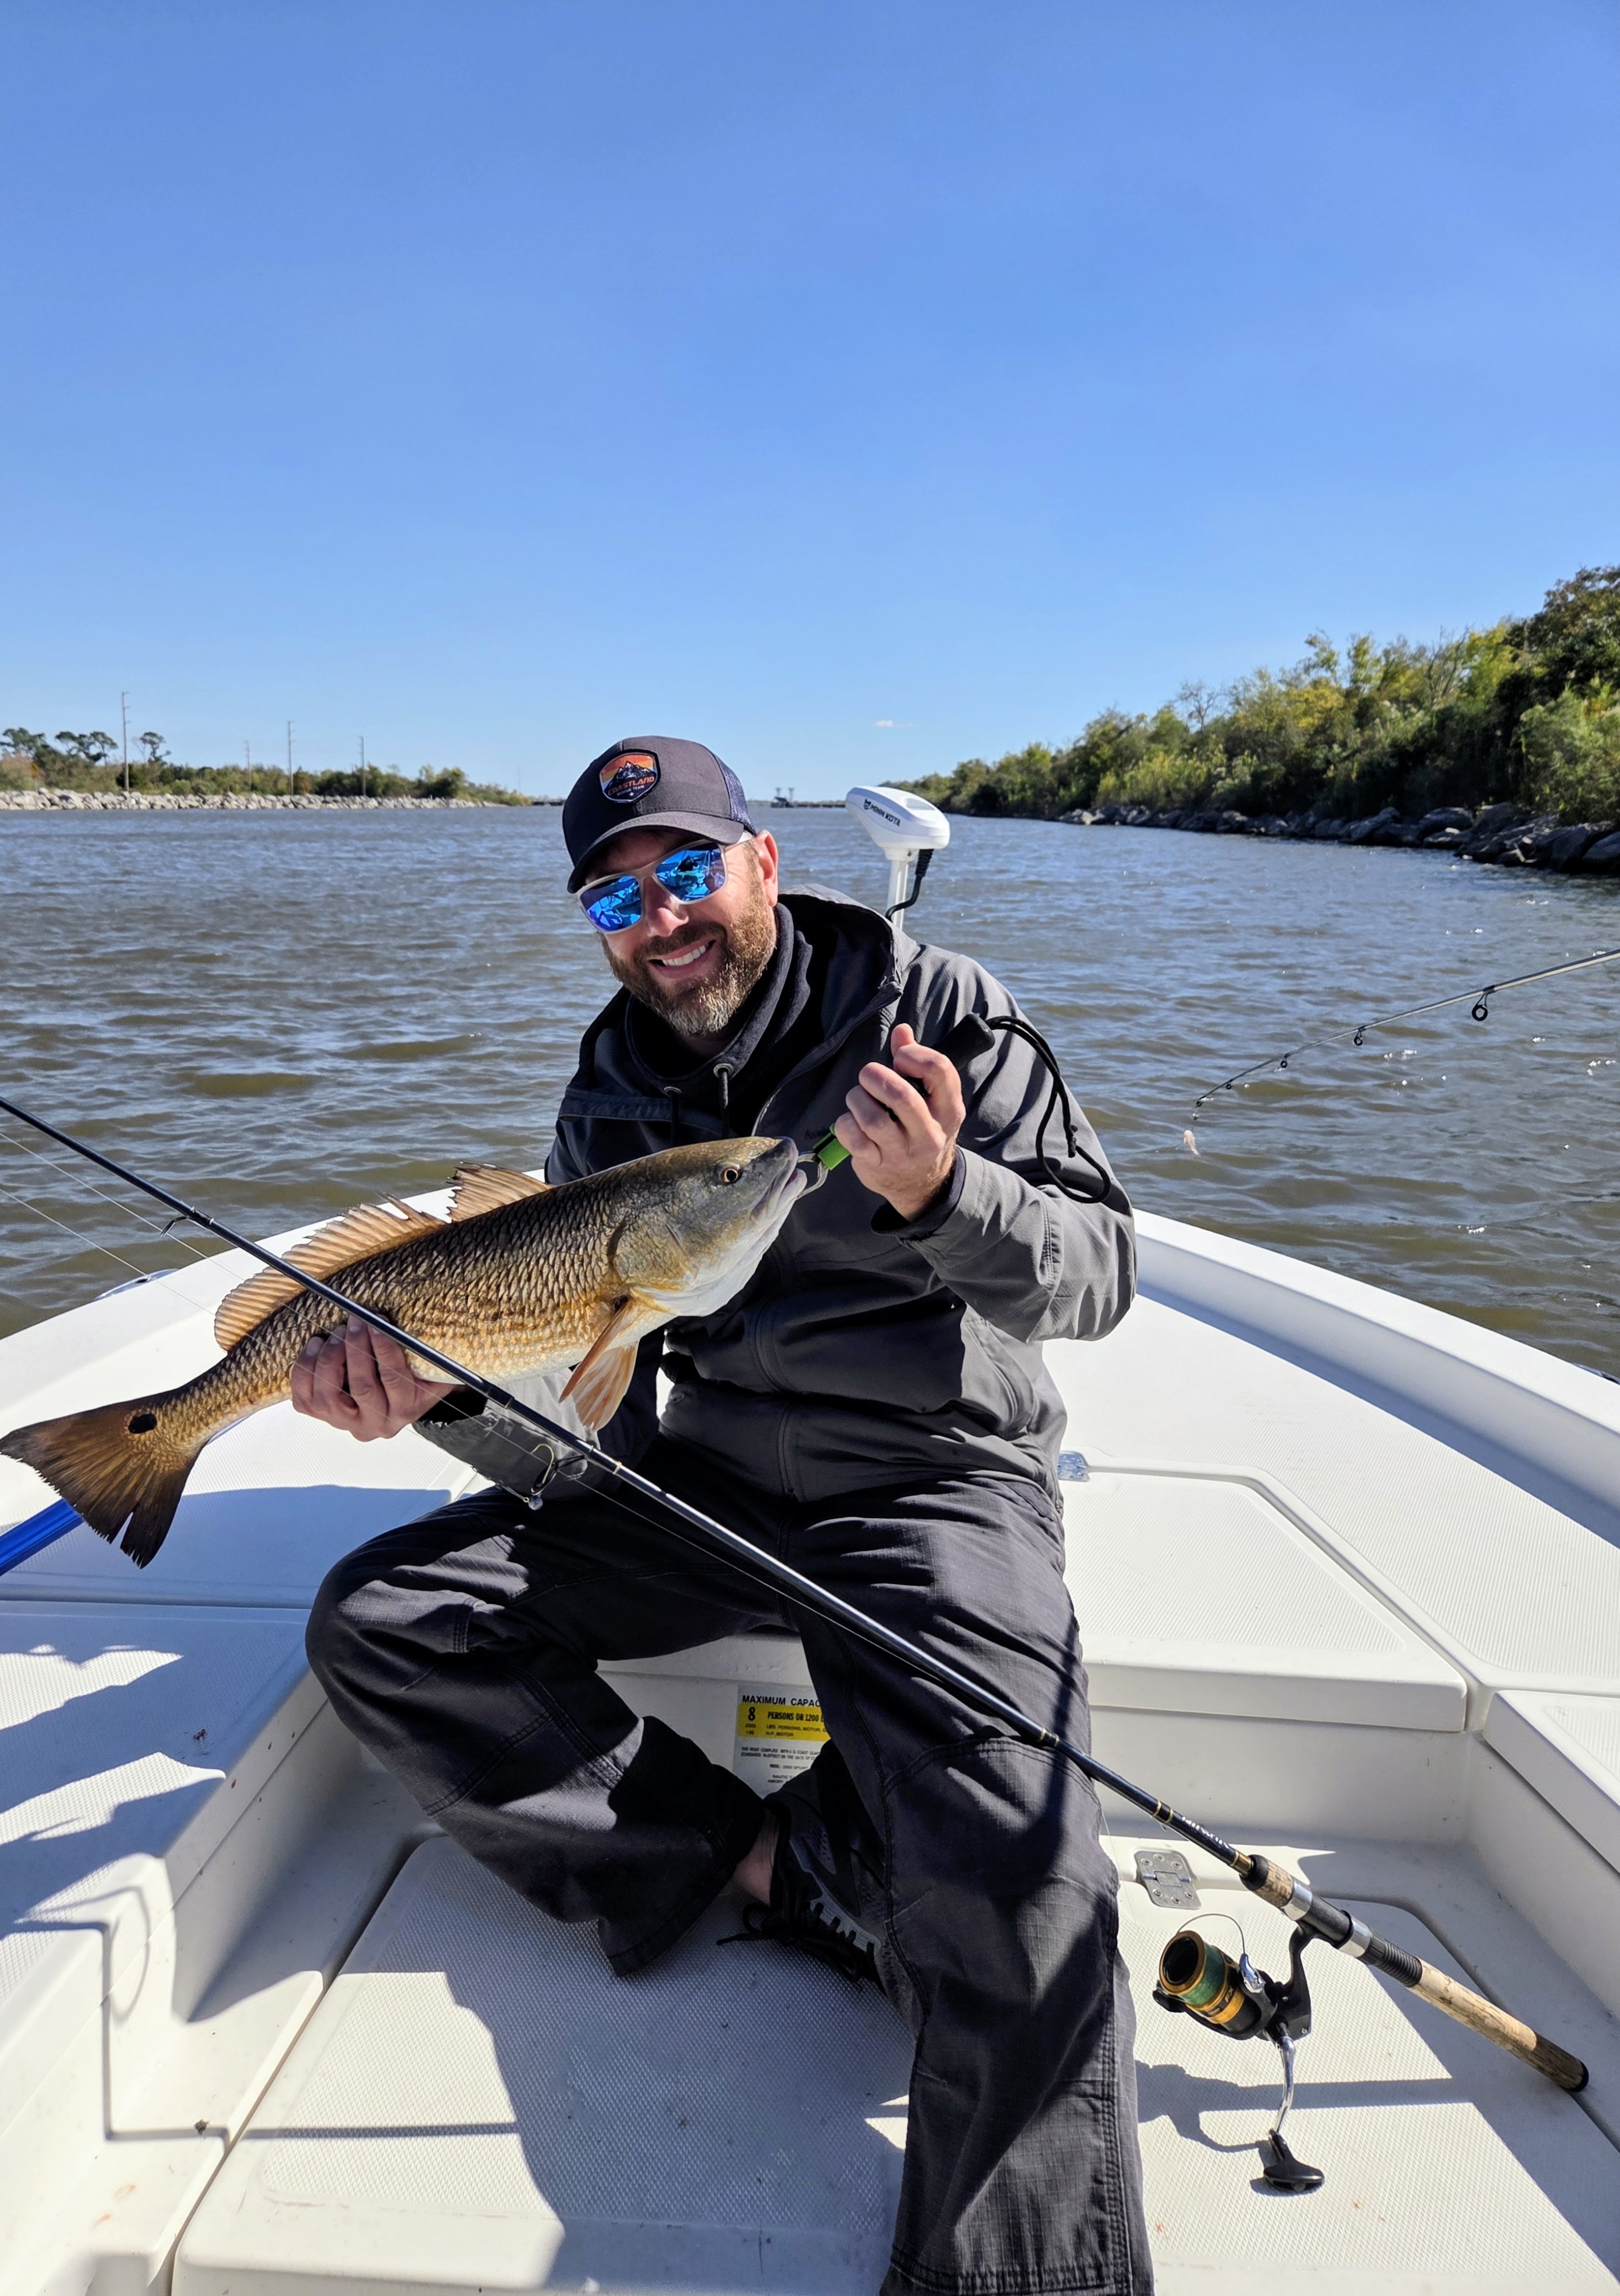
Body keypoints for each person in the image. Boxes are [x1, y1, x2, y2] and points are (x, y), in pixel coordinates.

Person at [301, 736, 1153, 2296]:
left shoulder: (936, 1011)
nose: (661, 919)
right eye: (614, 898)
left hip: (928, 1477)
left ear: (763, 861)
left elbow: (1098, 1277)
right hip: (707, 1483)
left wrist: (947, 1191)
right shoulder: (607, 1096)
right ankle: (770, 1866)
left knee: (1024, 1868)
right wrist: (442, 1403)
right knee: (388, 1620)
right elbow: (595, 1414)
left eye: (688, 870)